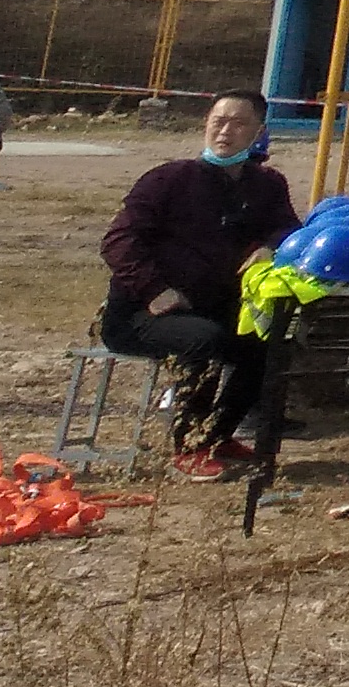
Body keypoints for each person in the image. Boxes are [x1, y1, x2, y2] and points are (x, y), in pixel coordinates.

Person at [92, 90, 302, 480]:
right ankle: (188, 445)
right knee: (201, 340)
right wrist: (154, 290)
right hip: (143, 314)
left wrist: (271, 247)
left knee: (268, 342)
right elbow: (118, 241)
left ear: (259, 132)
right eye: (218, 121)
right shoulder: (169, 179)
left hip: (215, 307)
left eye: (239, 124)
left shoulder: (267, 185)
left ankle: (217, 435)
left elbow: (289, 229)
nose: (225, 132)